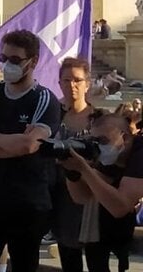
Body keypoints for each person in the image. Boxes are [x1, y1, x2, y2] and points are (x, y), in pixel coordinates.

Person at [0, 30, 62, 272]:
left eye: (15, 60)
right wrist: (12, 144)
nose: (7, 65)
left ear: (32, 62)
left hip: (27, 204)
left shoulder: (44, 100)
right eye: (3, 58)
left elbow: (28, 145)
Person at [60, 113, 143, 272]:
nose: (98, 146)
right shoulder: (114, 155)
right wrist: (72, 172)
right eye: (94, 141)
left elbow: (119, 207)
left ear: (124, 138)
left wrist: (83, 168)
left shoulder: (139, 155)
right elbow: (82, 197)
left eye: (103, 141)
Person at [52, 57, 97, 272]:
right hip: (59, 196)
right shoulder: (53, 117)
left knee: (97, 259)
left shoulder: (99, 119)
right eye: (67, 80)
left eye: (78, 80)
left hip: (89, 195)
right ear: (59, 83)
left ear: (87, 84)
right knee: (69, 258)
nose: (72, 85)